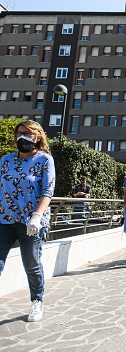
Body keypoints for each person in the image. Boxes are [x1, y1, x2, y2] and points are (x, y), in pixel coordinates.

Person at [0, 120, 55, 322]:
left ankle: (37, 301)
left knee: (31, 264)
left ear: (37, 137)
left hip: (31, 222)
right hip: (4, 219)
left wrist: (37, 216)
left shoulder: (44, 160)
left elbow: (48, 191)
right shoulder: (5, 160)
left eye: (28, 134)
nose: (23, 137)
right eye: (20, 133)